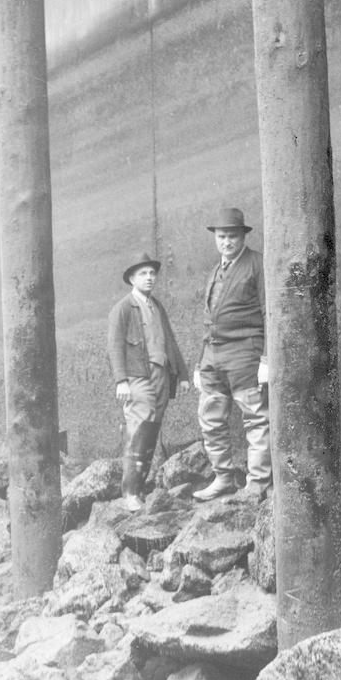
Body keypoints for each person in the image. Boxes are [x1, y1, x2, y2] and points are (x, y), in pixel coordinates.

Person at [191, 207, 271, 501]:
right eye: (222, 236)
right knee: (210, 420)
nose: (227, 242)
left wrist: (266, 359)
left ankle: (258, 484)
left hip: (244, 357)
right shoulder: (215, 271)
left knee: (255, 420)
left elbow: (269, 312)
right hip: (213, 358)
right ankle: (223, 477)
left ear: (243, 236)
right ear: (215, 238)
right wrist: (200, 364)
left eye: (232, 236)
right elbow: (207, 319)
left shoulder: (256, 264)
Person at [106, 252, 190, 511]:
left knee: (152, 429)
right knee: (138, 428)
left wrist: (183, 375)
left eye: (152, 273)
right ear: (132, 278)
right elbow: (114, 345)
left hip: (161, 374)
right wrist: (121, 380)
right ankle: (130, 491)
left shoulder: (157, 306)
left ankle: (140, 488)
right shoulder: (123, 308)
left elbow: (170, 341)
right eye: (143, 273)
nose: (149, 277)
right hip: (137, 375)